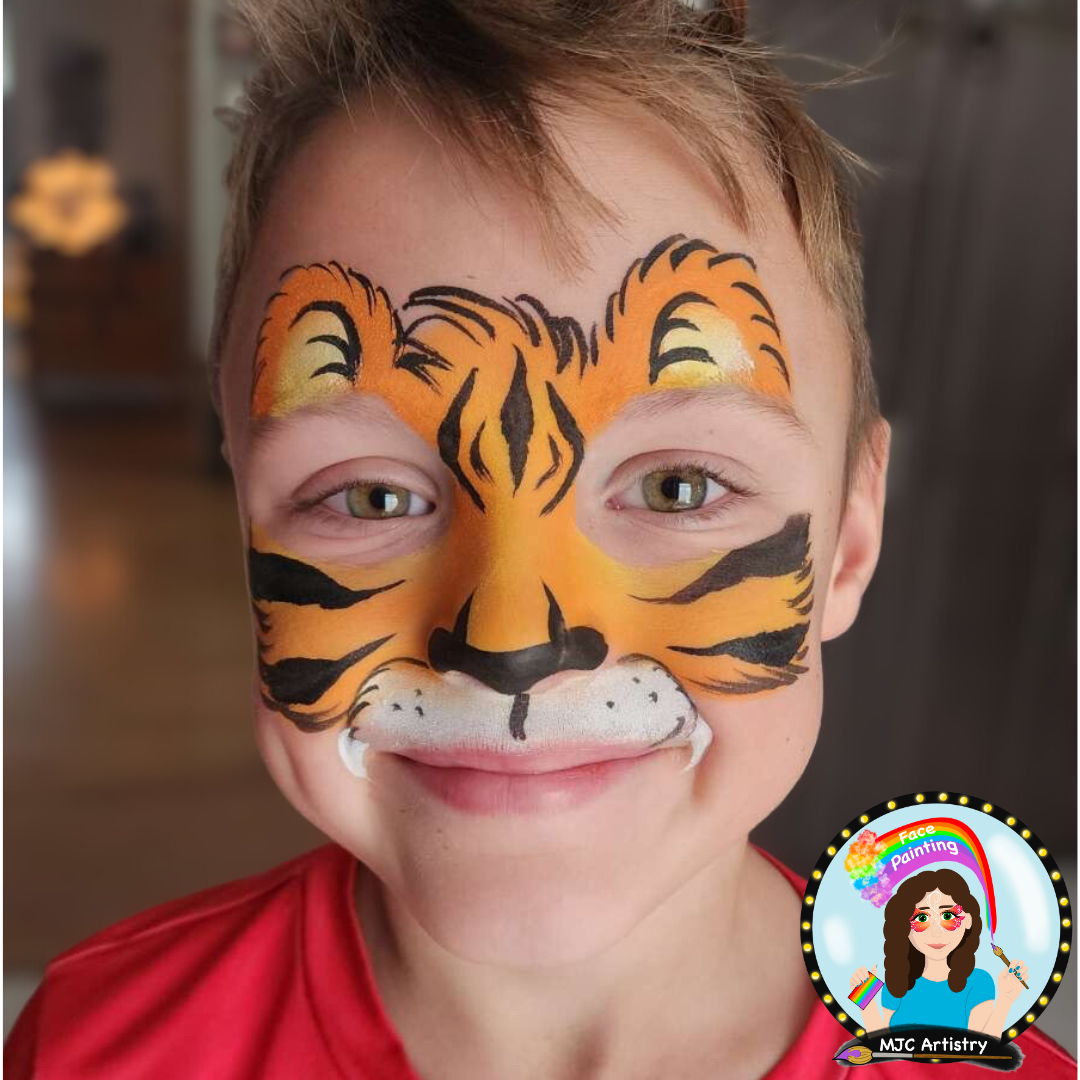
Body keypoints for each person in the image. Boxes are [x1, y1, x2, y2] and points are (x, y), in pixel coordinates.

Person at [5, 2, 1074, 1077]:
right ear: (245, 535)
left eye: (676, 485)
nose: (511, 638)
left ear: (846, 541)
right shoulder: (93, 1046)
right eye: (372, 498)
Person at [850, 868, 1028, 1037]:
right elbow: (883, 1049)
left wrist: (1006, 1000)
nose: (936, 932)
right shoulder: (896, 982)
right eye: (922, 918)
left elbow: (981, 1049)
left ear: (967, 921)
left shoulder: (979, 983)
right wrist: (865, 999)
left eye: (948, 916)